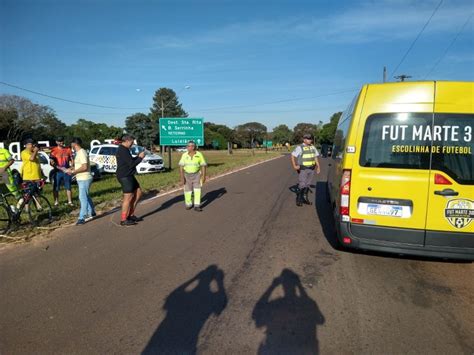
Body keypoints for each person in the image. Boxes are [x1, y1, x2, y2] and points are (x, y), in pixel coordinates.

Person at [116, 134, 145, 226]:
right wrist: (140, 158)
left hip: (129, 175)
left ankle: (131, 214)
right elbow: (131, 164)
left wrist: (137, 157)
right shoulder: (122, 150)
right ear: (127, 141)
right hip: (125, 176)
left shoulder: (125, 149)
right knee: (128, 197)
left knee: (138, 192)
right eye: (132, 142)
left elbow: (130, 160)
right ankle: (124, 219)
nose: (132, 144)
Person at [67, 137, 96, 226]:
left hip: (84, 178)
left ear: (74, 144)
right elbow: (79, 165)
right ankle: (92, 212)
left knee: (82, 197)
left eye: (71, 143)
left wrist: (73, 172)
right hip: (82, 178)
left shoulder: (82, 152)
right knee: (86, 196)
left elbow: (84, 167)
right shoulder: (78, 153)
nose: (71, 145)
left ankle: (82, 217)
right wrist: (71, 169)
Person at [290, 133, 321, 206]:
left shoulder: (313, 147)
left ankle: (305, 198)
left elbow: (315, 157)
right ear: (304, 139)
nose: (310, 140)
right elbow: (292, 155)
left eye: (310, 139)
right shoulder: (300, 147)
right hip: (303, 169)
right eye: (308, 139)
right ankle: (299, 199)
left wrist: (318, 167)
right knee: (302, 184)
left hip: (312, 169)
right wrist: (294, 165)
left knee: (307, 184)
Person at [179, 141, 207, 212]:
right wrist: (182, 178)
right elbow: (181, 167)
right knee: (187, 190)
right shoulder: (184, 155)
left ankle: (197, 205)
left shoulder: (199, 154)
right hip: (187, 175)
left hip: (197, 174)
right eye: (188, 146)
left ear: (195, 147)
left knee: (197, 190)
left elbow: (203, 165)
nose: (190, 147)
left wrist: (203, 176)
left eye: (192, 146)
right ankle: (188, 204)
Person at [49, 136, 73, 206]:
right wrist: (60, 168)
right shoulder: (54, 150)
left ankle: (70, 201)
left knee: (68, 186)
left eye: (62, 140)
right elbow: (51, 163)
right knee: (56, 187)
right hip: (57, 171)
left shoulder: (68, 149)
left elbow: (72, 159)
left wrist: (71, 167)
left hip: (67, 171)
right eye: (59, 141)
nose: (61, 142)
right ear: (56, 142)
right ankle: (56, 202)